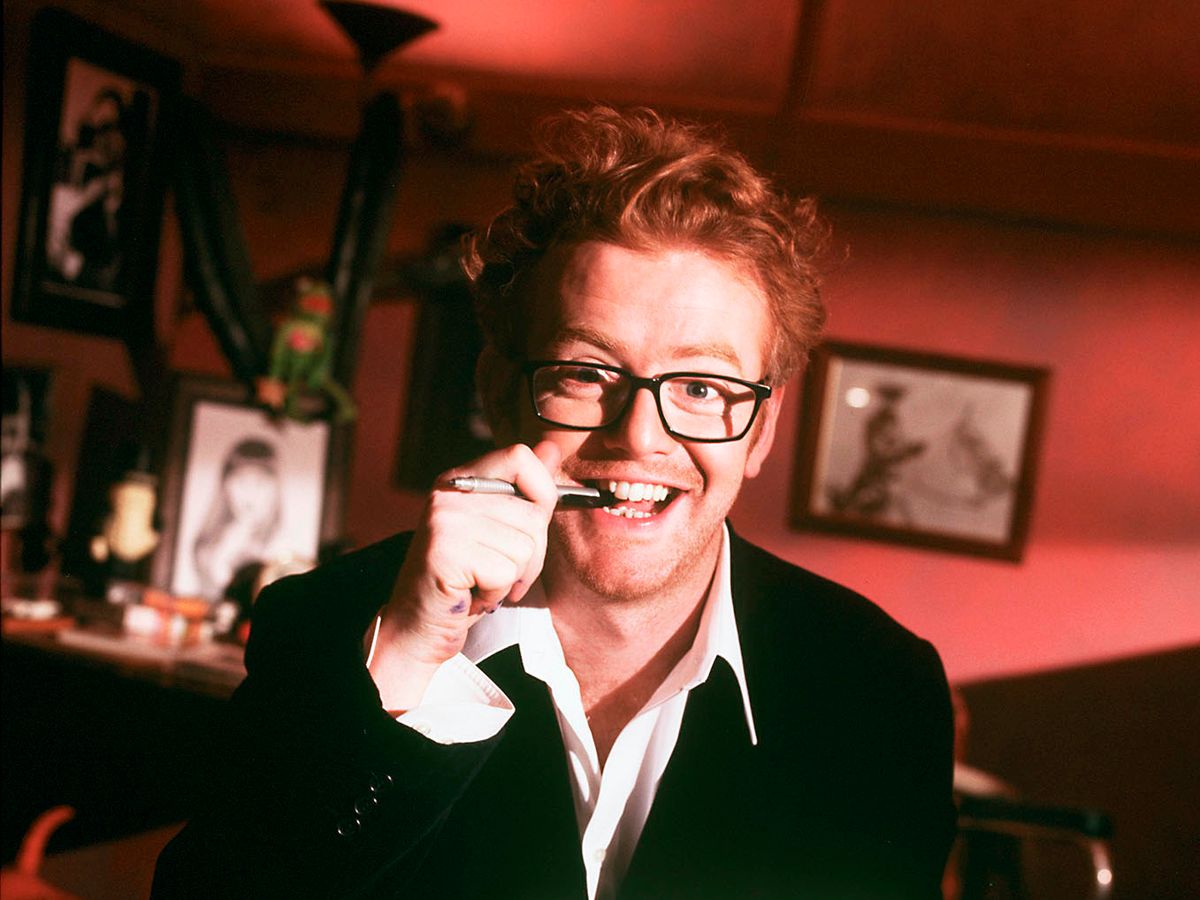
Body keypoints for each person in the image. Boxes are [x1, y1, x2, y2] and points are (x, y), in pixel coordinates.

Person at [153, 106, 955, 898]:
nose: (640, 435)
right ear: (500, 393)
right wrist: (404, 672)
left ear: (760, 432)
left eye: (701, 387)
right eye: (586, 373)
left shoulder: (879, 690)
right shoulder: (327, 628)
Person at [191, 438, 282, 601]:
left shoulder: (284, 545)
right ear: (225, 486)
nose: (250, 493)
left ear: (275, 488)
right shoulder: (207, 546)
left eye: (260, 483)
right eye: (241, 481)